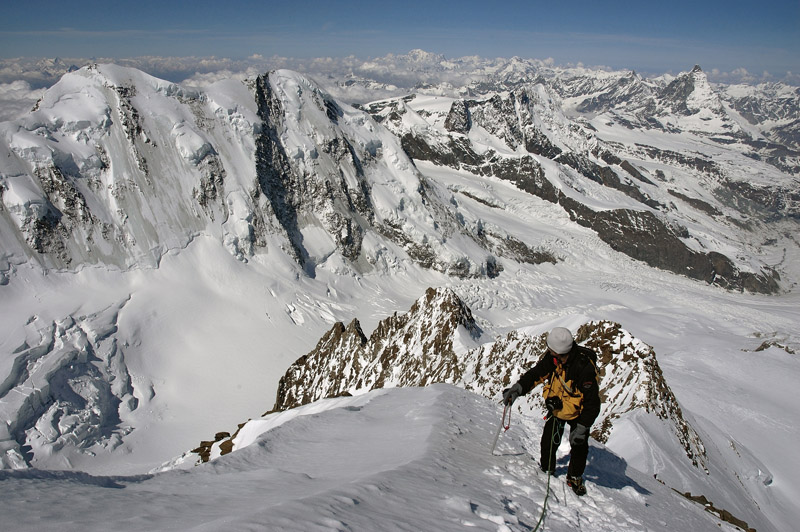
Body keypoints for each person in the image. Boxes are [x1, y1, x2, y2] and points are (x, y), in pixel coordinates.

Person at [502, 327, 601, 496]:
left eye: (552, 353)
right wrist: (518, 388)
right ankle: (547, 469)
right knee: (548, 440)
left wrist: (583, 426)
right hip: (557, 407)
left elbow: (592, 403)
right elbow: (536, 374)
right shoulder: (554, 359)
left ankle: (575, 476)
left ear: (561, 353)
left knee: (579, 445)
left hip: (578, 412)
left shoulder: (583, 369)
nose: (549, 355)